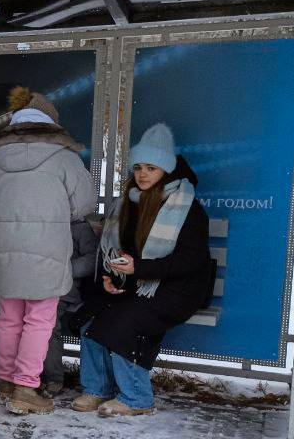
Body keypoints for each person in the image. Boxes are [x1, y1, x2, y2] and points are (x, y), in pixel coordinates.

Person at [75, 124, 212, 417]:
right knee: (91, 319)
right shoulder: (128, 202)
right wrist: (113, 279)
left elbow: (191, 261)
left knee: (122, 323)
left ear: (166, 169)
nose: (143, 174)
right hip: (137, 283)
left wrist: (139, 268)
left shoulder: (187, 206)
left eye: (151, 167)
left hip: (177, 289)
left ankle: (137, 398)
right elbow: (120, 251)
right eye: (138, 167)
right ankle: (97, 389)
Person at [0, 87, 96, 416]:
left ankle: (4, 380)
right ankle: (26, 388)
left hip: (1, 251)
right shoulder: (64, 158)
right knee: (40, 319)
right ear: (50, 125)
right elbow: (83, 205)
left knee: (10, 317)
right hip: (46, 248)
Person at [40, 213, 103, 397]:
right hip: (37, 284)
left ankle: (53, 377)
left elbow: (92, 259)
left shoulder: (80, 228)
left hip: (64, 289)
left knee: (47, 323)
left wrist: (64, 271)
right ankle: (27, 375)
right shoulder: (43, 222)